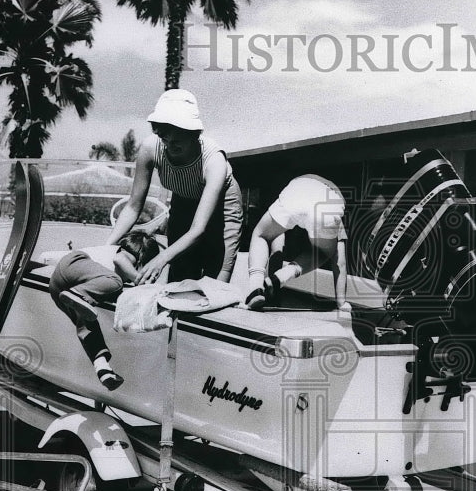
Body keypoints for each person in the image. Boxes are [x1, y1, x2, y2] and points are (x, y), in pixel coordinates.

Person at [108, 90, 242, 285]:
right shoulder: (150, 148)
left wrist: (160, 260)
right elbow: (133, 207)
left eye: (177, 142)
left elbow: (198, 229)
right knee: (179, 274)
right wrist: (105, 248)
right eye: (164, 139)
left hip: (223, 205)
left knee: (215, 283)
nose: (169, 147)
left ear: (193, 135)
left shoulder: (214, 161)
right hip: (183, 198)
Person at [49, 231, 160, 391]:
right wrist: (140, 281)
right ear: (141, 260)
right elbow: (119, 259)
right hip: (74, 264)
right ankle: (79, 294)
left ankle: (102, 368)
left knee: (88, 325)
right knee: (116, 283)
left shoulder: (104, 276)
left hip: (59, 286)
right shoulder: (125, 254)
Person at [245, 174, 350, 316]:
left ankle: (255, 287)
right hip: (327, 201)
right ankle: (283, 276)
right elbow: (340, 262)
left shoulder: (303, 181)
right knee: (323, 252)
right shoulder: (332, 193)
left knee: (261, 235)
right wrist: (341, 303)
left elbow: (277, 240)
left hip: (296, 190)